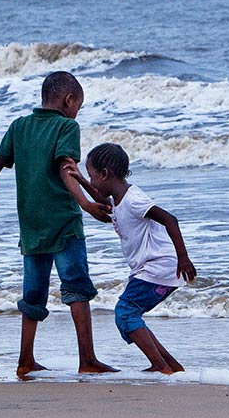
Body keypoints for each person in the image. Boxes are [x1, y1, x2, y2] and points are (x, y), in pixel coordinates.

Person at [0, 71, 117, 378]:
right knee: (76, 287)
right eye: (77, 105)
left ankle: (25, 359)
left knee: (33, 293)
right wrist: (88, 205)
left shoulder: (19, 126)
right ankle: (87, 358)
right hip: (63, 222)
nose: (77, 111)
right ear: (68, 100)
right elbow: (67, 169)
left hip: (31, 225)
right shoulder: (67, 126)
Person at [64, 143, 196, 374]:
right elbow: (102, 198)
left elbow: (170, 219)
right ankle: (170, 365)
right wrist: (82, 180)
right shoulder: (118, 197)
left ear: (106, 174)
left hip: (159, 265)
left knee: (125, 312)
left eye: (94, 176)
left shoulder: (134, 199)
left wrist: (183, 258)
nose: (93, 182)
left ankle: (160, 365)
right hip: (151, 267)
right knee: (130, 313)